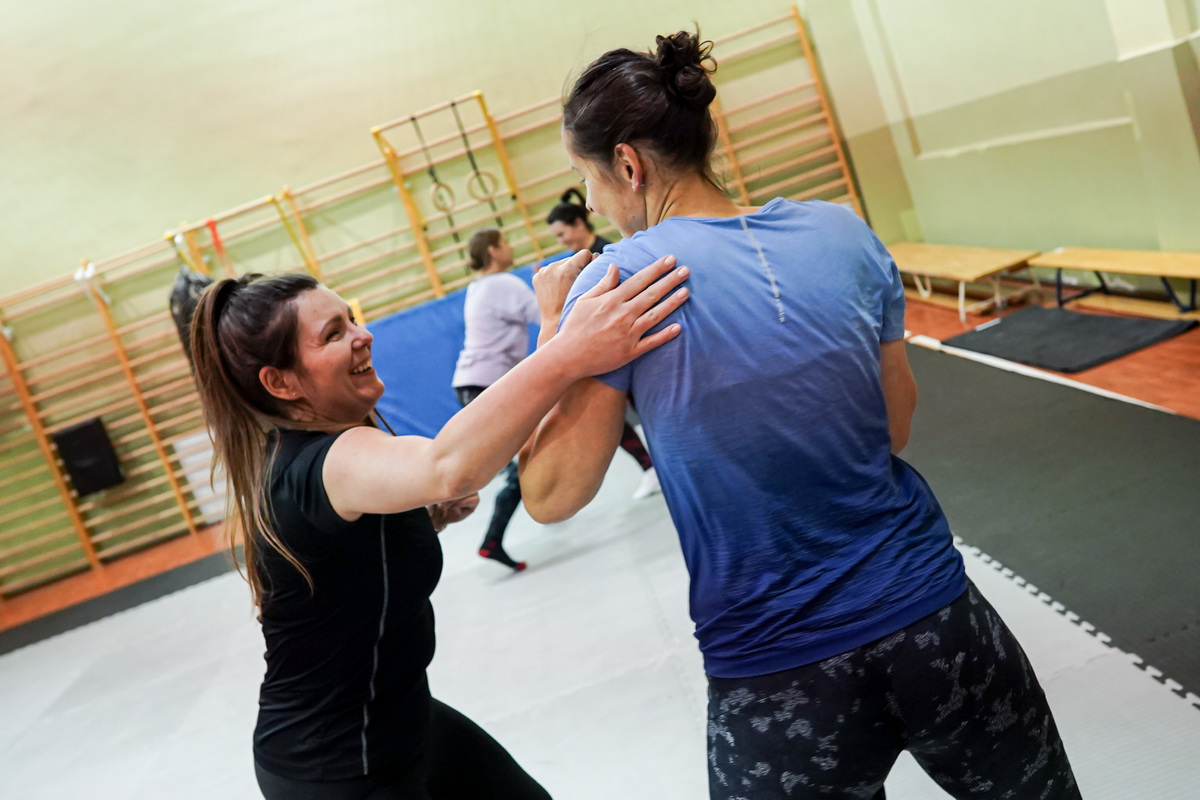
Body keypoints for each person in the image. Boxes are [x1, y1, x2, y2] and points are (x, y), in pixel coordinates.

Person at [519, 30, 1080, 800]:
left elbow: (551, 495)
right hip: (936, 622)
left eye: (587, 182)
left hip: (782, 672)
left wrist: (555, 333)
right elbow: (894, 429)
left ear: (627, 165)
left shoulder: (618, 286)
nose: (595, 206)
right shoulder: (844, 233)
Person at [189, 262, 688, 799]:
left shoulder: (333, 456)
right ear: (280, 382)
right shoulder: (322, 462)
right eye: (333, 334)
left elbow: (349, 563)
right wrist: (568, 347)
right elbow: (451, 466)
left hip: (401, 717)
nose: (362, 335)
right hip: (336, 767)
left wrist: (425, 517)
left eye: (351, 318)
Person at [546, 190, 662, 499]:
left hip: (628, 347)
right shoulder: (577, 263)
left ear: (578, 224)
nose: (560, 241)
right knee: (612, 417)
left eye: (561, 234)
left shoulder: (607, 255)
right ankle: (649, 467)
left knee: (648, 410)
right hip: (605, 354)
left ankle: (658, 465)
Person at [451, 229, 537, 570]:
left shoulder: (479, 286)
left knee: (524, 461)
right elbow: (544, 313)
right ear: (492, 250)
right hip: (487, 386)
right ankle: (492, 541)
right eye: (505, 243)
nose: (510, 247)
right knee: (522, 466)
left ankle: (494, 539)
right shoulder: (504, 284)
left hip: (473, 385)